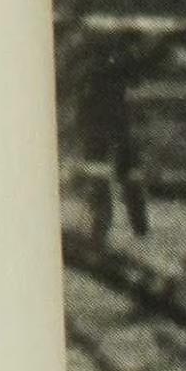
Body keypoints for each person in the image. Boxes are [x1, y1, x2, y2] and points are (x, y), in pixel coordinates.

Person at [69, 30, 152, 245]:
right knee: (125, 174)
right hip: (112, 126)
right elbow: (136, 81)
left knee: (106, 176)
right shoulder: (116, 66)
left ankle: (107, 226)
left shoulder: (90, 68)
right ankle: (136, 225)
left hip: (98, 127)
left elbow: (80, 99)